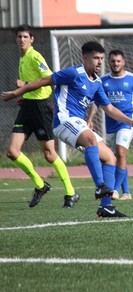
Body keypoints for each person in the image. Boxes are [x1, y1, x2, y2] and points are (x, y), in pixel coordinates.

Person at [1, 41, 133, 218]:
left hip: (77, 123)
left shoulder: (97, 82)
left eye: (101, 59)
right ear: (85, 58)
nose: (99, 62)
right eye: (95, 58)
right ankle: (100, 185)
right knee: (91, 139)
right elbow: (44, 81)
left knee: (110, 157)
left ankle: (106, 207)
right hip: (63, 121)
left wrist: (130, 121)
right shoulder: (73, 73)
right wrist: (16, 92)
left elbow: (110, 109)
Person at [4, 24, 79, 208]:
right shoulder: (22, 58)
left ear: (32, 39)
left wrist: (24, 85)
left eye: (25, 37)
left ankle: (70, 192)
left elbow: (49, 78)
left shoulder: (35, 56)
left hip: (41, 108)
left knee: (49, 154)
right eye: (19, 36)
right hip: (27, 107)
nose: (22, 39)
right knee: (12, 151)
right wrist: (24, 95)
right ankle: (40, 184)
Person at [87, 49, 133, 201]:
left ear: (124, 62)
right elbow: (96, 103)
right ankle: (127, 192)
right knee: (116, 156)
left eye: (118, 61)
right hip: (110, 125)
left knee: (121, 153)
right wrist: (89, 120)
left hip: (129, 122)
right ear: (109, 62)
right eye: (113, 61)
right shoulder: (102, 81)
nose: (116, 64)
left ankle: (115, 190)